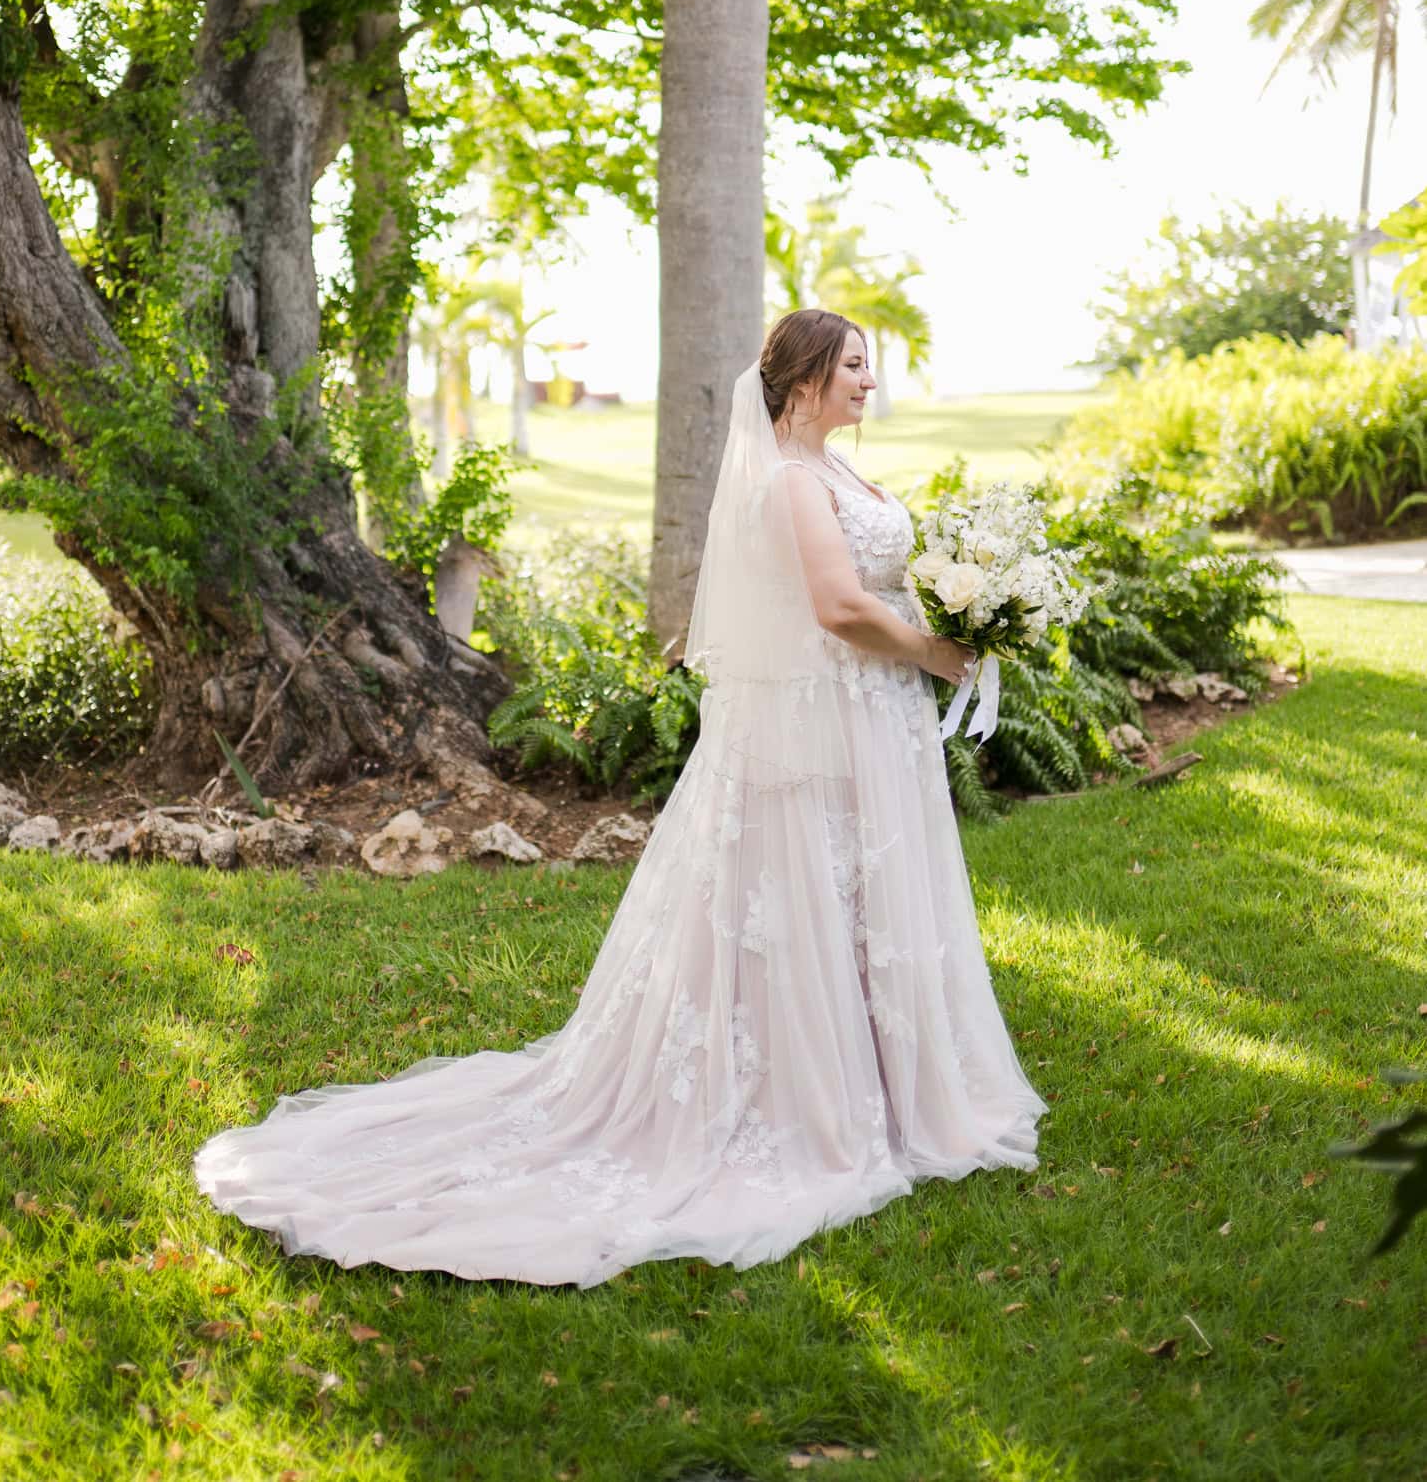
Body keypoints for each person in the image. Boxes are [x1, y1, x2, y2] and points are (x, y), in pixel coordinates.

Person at [194, 308, 1049, 1285]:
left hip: (868, 720)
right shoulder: (795, 482)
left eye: (869, 366)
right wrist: (941, 653)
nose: (868, 381)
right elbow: (838, 607)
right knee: (816, 893)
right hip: (834, 719)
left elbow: (881, 584)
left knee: (859, 896)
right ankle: (814, 1102)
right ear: (806, 378)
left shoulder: (840, 469)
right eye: (855, 366)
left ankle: (890, 1083)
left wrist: (964, 605)